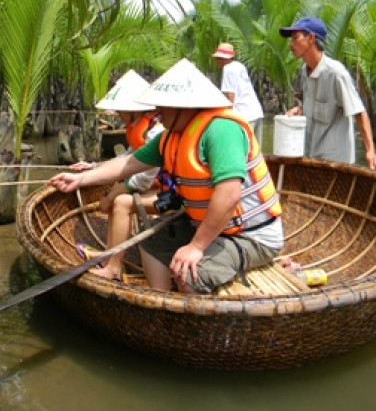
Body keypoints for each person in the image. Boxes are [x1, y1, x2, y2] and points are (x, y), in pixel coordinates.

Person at [49, 58, 283, 293]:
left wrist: (196, 247)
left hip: (251, 235)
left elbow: (229, 194)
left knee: (190, 273)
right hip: (210, 225)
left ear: (186, 106)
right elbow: (129, 163)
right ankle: (162, 301)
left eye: (163, 105)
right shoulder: (171, 136)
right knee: (150, 240)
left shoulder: (221, 130)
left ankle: (190, 317)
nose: (157, 111)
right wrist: (81, 178)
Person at [71, 69, 164, 280]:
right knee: (117, 195)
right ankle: (109, 255)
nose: (119, 115)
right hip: (157, 186)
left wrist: (114, 194)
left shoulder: (156, 131)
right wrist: (94, 166)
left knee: (121, 201)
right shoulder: (142, 127)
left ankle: (114, 267)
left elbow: (145, 176)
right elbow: (129, 159)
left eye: (122, 110)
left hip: (168, 190)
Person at [279, 16, 376, 169]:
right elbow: (319, 106)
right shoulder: (304, 72)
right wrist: (300, 110)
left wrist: (370, 151)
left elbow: (359, 112)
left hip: (336, 164)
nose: (291, 44)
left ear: (310, 38)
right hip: (312, 158)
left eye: (295, 38)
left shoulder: (336, 73)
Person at [212, 42, 264, 147]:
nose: (216, 61)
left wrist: (227, 118)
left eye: (218, 58)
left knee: (244, 152)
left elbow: (230, 96)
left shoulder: (227, 69)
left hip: (244, 115)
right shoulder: (239, 66)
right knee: (257, 153)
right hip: (256, 112)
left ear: (222, 58)